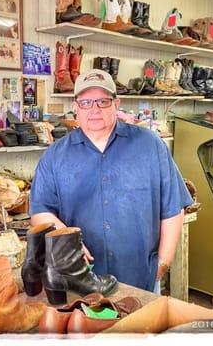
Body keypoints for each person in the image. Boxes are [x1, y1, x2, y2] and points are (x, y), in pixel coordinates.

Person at [29, 69, 193, 293]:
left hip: (140, 278)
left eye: (103, 101)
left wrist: (162, 264)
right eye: (86, 102)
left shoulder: (150, 145)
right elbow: (40, 211)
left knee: (142, 328)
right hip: (81, 281)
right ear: (75, 107)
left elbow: (173, 209)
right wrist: (67, 239)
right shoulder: (55, 156)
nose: (94, 109)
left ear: (117, 104)